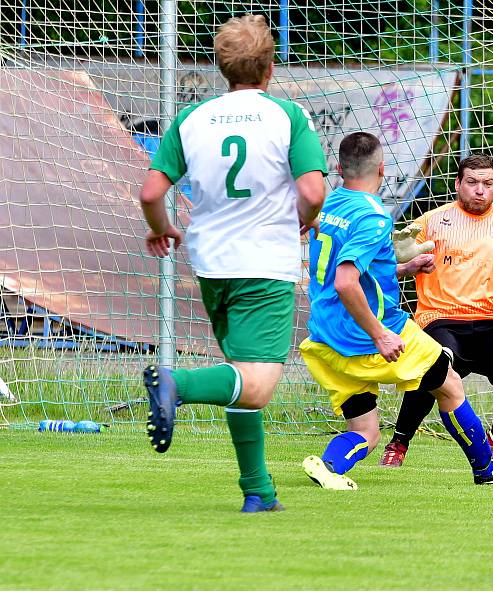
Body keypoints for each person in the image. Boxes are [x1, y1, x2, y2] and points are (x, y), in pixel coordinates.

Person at [137, 14, 327, 512]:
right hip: (264, 262)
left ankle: (258, 492)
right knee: (258, 385)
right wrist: (303, 219)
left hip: (212, 265)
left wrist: (161, 229)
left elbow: (151, 191)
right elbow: (312, 190)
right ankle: (176, 383)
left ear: (223, 68)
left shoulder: (191, 119)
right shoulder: (287, 115)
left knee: (241, 378)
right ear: (269, 68)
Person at [299, 132, 493, 490]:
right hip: (370, 332)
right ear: (382, 168)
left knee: (366, 431)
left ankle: (330, 465)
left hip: (326, 336)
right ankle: (488, 469)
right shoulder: (374, 217)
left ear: (338, 168)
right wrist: (379, 334)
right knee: (450, 384)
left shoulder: (329, 206)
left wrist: (402, 269)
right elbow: (346, 282)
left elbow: (350, 271)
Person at [380, 153, 493, 467]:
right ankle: (398, 444)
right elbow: (391, 260)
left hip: (489, 322)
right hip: (440, 318)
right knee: (433, 362)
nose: (479, 190)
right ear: (458, 184)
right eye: (472, 182)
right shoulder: (431, 221)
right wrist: (399, 258)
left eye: (487, 183)